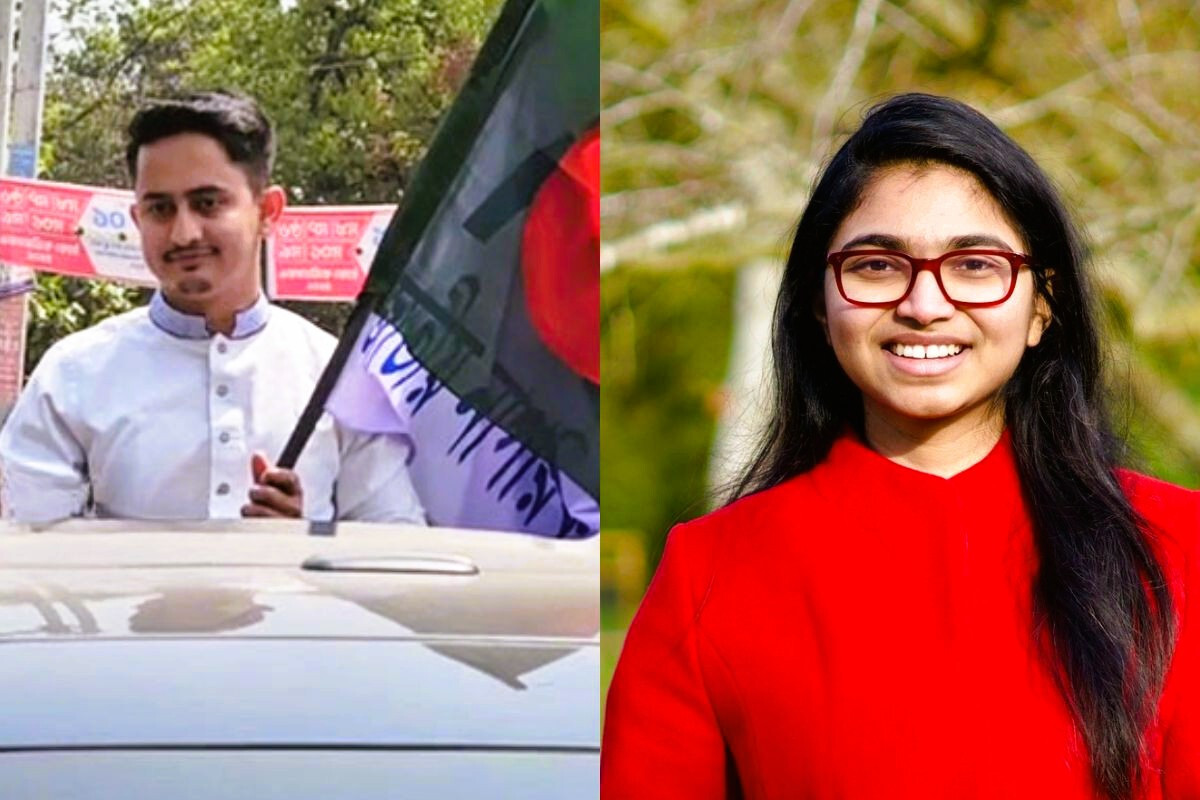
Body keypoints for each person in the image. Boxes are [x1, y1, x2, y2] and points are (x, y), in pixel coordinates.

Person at [601, 94, 1199, 799]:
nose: (924, 303)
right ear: (819, 307)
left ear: (1043, 304)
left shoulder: (1176, 546)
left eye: (975, 264)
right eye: (878, 265)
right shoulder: (710, 577)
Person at [0, 91, 424, 524]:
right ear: (137, 219)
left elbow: (394, 550)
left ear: (268, 211)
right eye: (161, 209)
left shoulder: (338, 375)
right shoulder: (73, 375)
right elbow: (32, 552)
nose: (184, 233)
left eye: (207, 204)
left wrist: (305, 543)